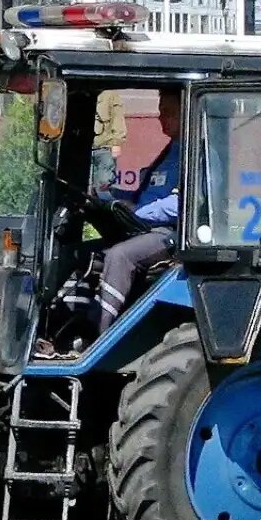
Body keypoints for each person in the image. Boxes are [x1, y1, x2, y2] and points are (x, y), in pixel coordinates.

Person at [90, 87, 183, 336]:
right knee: (82, 253)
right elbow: (141, 195)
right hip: (143, 227)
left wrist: (138, 212)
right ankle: (68, 328)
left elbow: (181, 204)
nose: (161, 118)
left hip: (170, 233)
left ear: (186, 113)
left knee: (119, 256)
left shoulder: (196, 153)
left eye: (168, 112)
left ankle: (99, 334)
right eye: (160, 112)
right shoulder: (169, 151)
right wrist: (110, 196)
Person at [89, 90, 127, 199]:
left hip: (104, 148)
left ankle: (108, 211)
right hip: (86, 149)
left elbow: (118, 120)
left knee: (103, 188)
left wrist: (116, 145)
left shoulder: (111, 95)